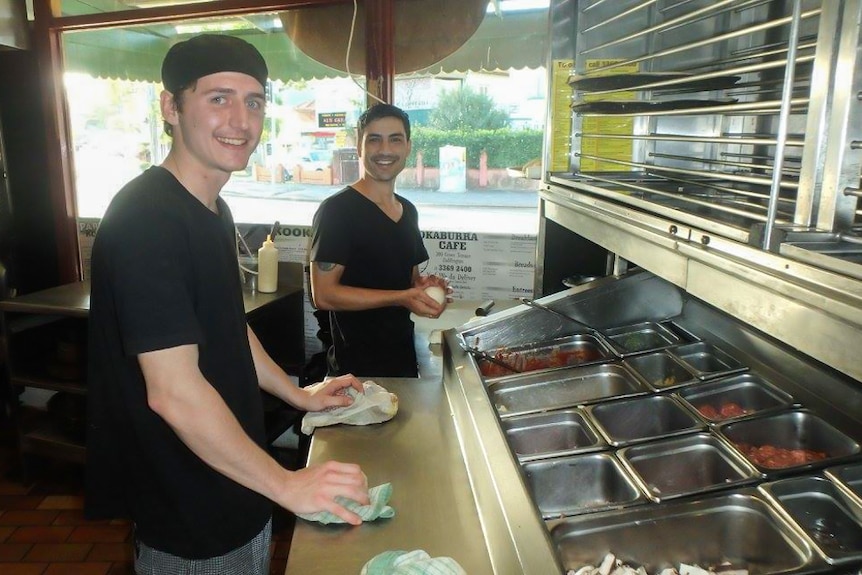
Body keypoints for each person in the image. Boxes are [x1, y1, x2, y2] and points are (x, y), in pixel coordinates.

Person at [85, 34, 369, 574]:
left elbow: (226, 325)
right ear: (171, 107)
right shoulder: (147, 220)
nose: (240, 120)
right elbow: (175, 394)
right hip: (189, 503)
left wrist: (298, 394)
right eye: (218, 98)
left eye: (254, 101)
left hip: (234, 471)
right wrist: (286, 483)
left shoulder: (212, 209)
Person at [309, 104, 448, 378]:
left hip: (402, 364)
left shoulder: (407, 211)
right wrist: (403, 297)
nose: (385, 150)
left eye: (395, 139)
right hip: (354, 373)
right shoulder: (337, 211)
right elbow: (323, 294)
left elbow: (408, 281)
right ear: (359, 147)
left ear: (408, 147)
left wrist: (423, 290)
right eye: (374, 139)